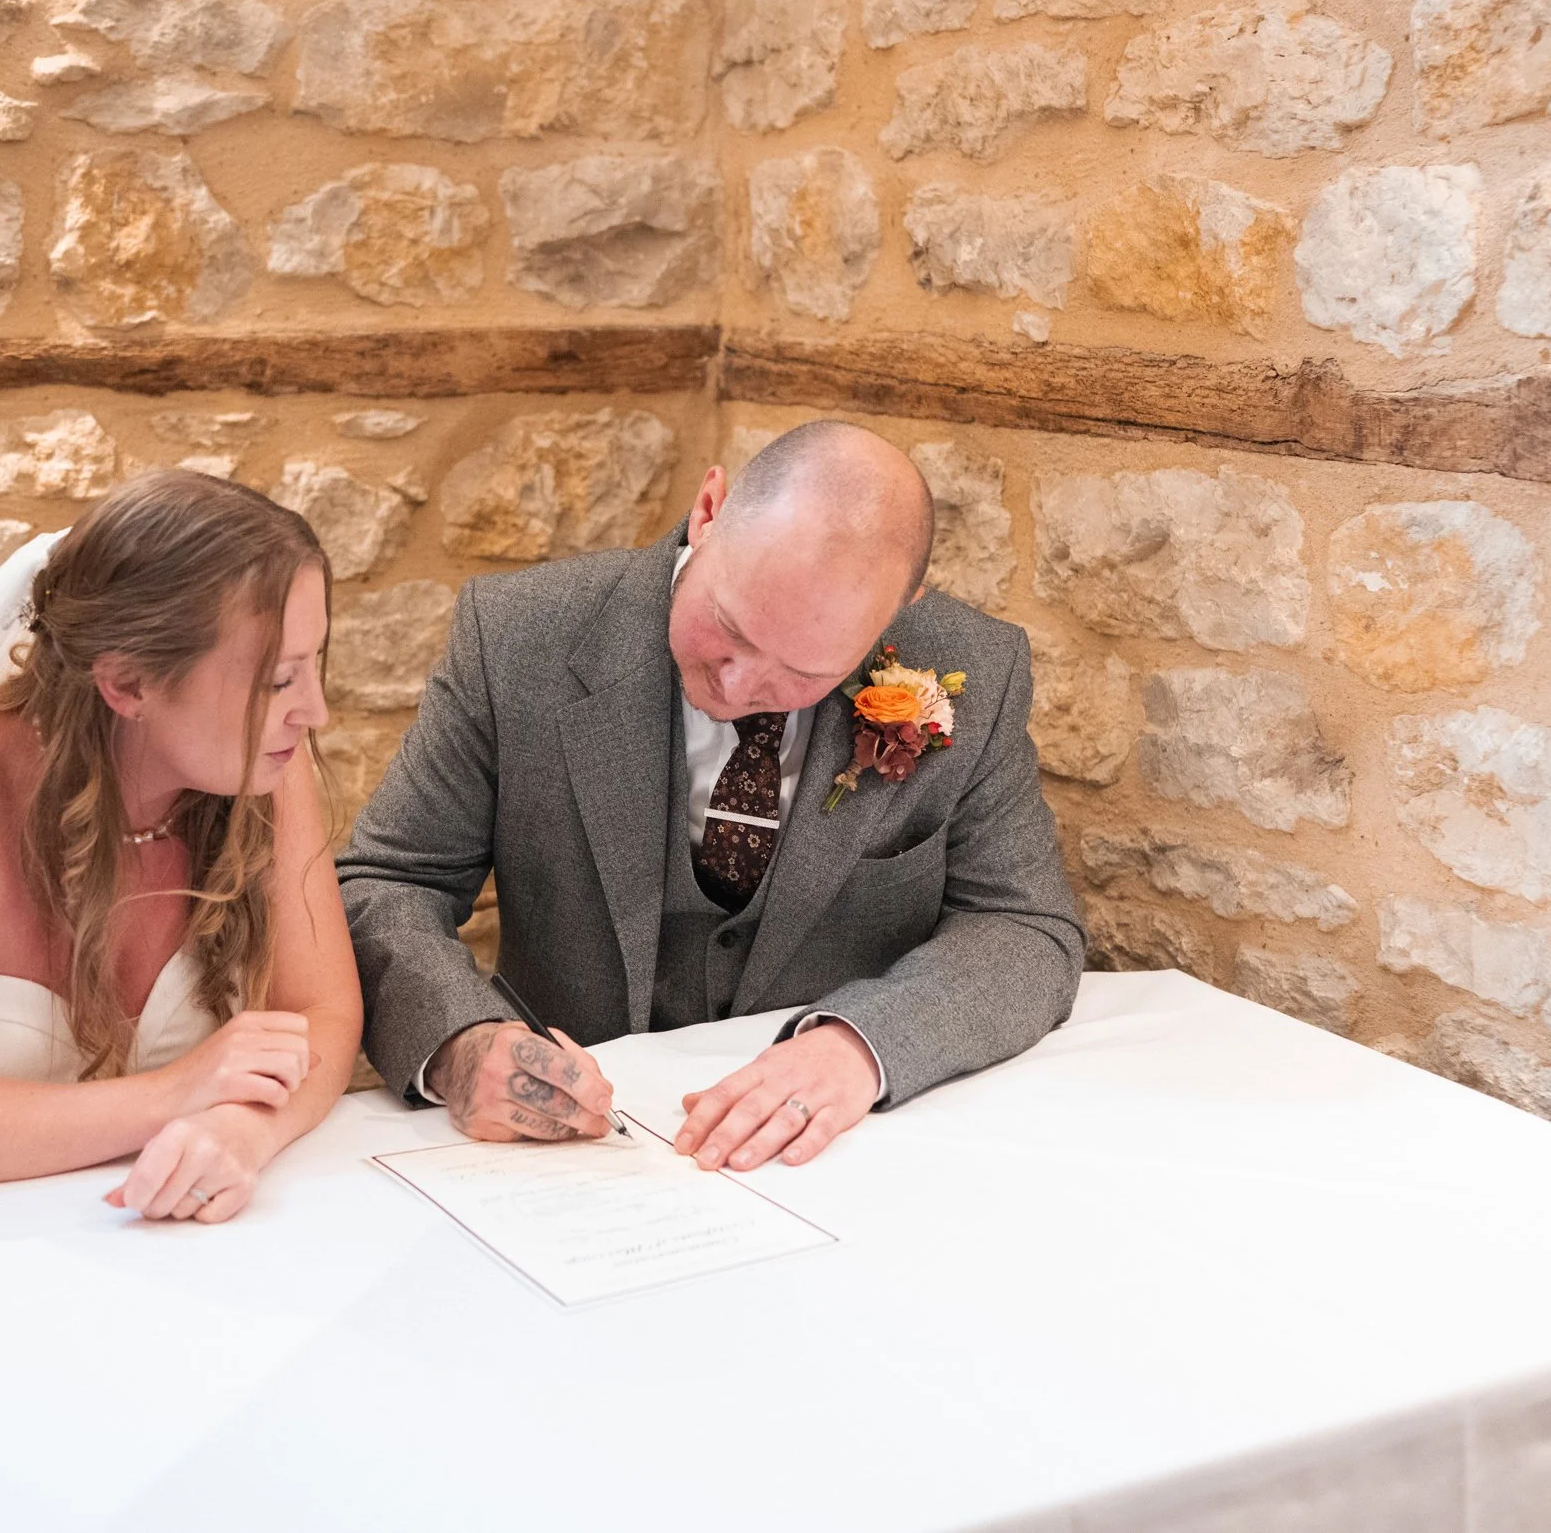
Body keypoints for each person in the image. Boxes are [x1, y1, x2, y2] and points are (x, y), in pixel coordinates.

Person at [339, 420, 1085, 1172]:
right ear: (708, 508)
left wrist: (861, 1047)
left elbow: (1023, 924)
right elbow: (388, 881)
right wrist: (462, 1043)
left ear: (897, 611)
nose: (737, 685)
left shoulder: (974, 671)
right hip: (566, 1160)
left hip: (834, 1164)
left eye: (801, 671)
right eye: (728, 627)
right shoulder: (517, 639)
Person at [0, 471, 363, 1223]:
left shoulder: (264, 769)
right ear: (126, 683)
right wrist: (173, 1095)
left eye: (313, 665)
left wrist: (245, 1127)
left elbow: (325, 1011)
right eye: (279, 679)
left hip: (184, 1242)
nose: (316, 712)